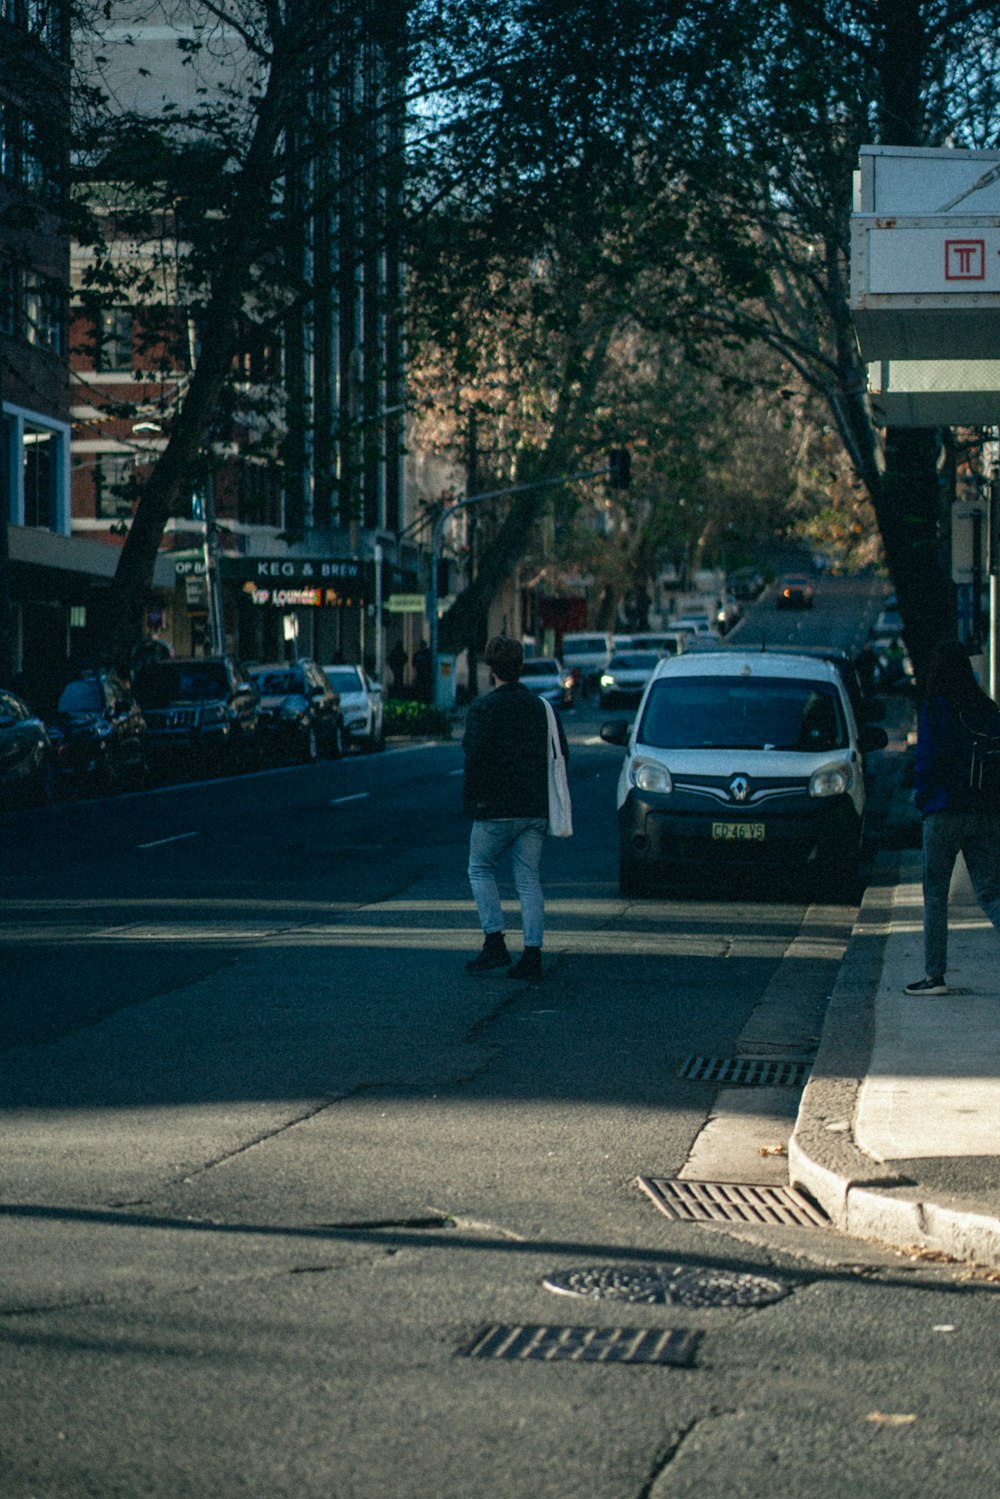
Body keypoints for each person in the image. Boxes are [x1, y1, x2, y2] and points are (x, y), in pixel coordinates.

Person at [463, 634, 568, 981]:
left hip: (494, 808)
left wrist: (474, 801)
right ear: (521, 667)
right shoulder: (542, 709)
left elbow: (473, 756)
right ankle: (533, 953)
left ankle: (494, 942)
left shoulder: (482, 709)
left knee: (480, 868)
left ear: (491, 669)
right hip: (534, 808)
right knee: (528, 879)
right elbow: (560, 753)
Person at [906, 637, 1000, 995]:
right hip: (986, 812)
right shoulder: (988, 709)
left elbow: (928, 760)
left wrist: (923, 800)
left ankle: (934, 977)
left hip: (943, 811)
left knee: (934, 895)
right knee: (991, 893)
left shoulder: (936, 707)